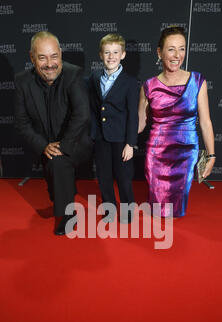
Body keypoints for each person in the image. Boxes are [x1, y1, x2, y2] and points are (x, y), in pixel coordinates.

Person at [15, 31, 92, 235]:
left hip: (76, 143)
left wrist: (63, 146)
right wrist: (43, 146)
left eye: (53, 56)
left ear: (60, 53)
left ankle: (66, 215)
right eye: (42, 57)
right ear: (32, 58)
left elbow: (82, 115)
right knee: (54, 184)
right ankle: (62, 194)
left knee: (58, 164)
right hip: (45, 146)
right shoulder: (22, 81)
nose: (50, 64)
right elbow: (22, 123)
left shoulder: (73, 74)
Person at [138, 26, 215, 217]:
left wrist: (211, 156)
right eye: (171, 49)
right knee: (156, 211)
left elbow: (205, 122)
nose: (177, 55)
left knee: (176, 211)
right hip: (156, 153)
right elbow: (139, 124)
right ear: (159, 52)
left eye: (182, 48)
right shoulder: (149, 85)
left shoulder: (197, 81)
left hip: (186, 152)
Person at [88, 33, 139, 223]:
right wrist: (93, 133)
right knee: (104, 178)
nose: (111, 57)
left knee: (124, 178)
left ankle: (127, 212)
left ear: (123, 55)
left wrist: (130, 143)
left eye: (115, 52)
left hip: (121, 140)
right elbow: (94, 109)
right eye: (107, 53)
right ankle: (109, 210)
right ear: (101, 55)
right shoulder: (94, 78)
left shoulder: (131, 82)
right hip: (101, 138)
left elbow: (133, 115)